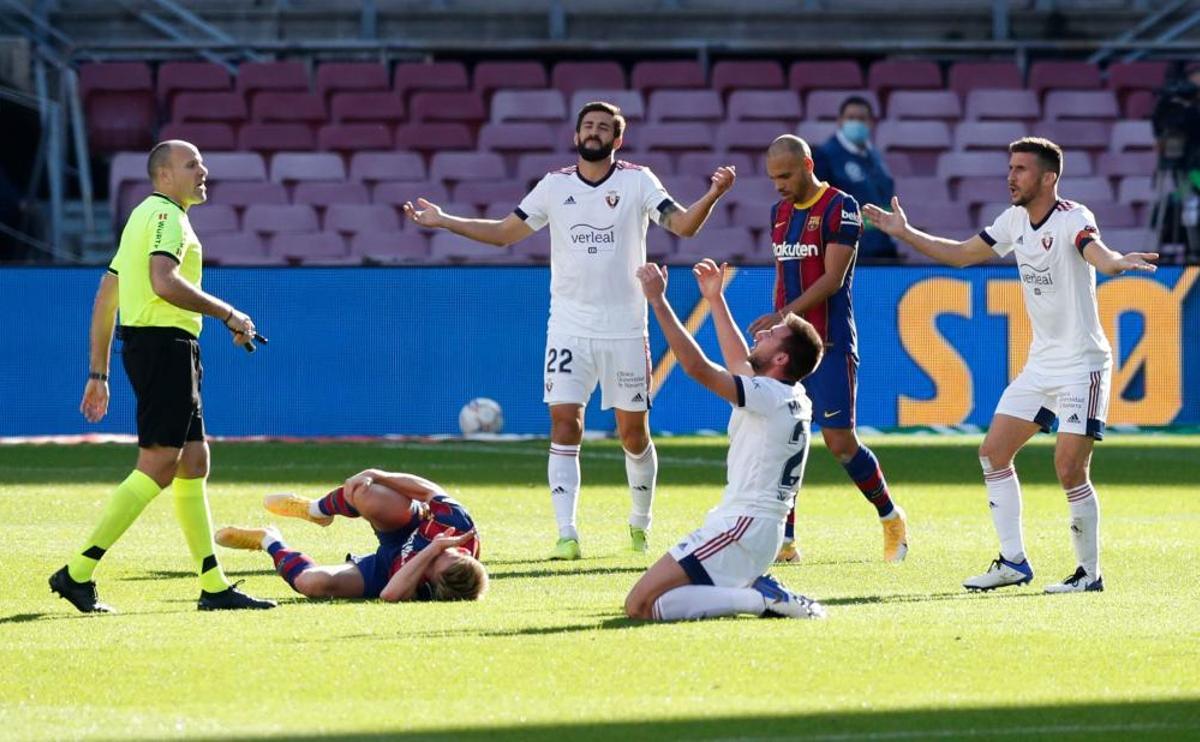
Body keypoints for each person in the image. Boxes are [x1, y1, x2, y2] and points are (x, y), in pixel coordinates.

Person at [404, 101, 736, 560]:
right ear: (576, 135)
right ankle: (566, 534)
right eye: (588, 126)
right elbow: (504, 233)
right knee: (565, 424)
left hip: (625, 329)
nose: (594, 132)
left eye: (604, 127)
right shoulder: (554, 185)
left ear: (617, 139)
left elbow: (683, 226)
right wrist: (444, 220)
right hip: (568, 328)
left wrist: (713, 193)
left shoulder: (638, 181)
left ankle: (640, 525)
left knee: (633, 434)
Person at [863, 137, 1158, 593]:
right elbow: (960, 254)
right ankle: (1013, 562)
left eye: (1021, 169)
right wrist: (904, 232)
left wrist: (1117, 262)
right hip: (1041, 364)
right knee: (993, 453)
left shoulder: (1073, 218)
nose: (1011, 177)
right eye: (1010, 168)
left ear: (1048, 177)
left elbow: (1094, 250)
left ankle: (1089, 575)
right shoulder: (1013, 221)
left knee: (1069, 469)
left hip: (1082, 364)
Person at [49, 140, 275, 613]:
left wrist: (98, 372)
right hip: (165, 348)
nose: (203, 170)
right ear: (165, 175)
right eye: (192, 164)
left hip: (156, 347)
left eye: (202, 163)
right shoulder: (168, 218)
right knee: (157, 464)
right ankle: (77, 572)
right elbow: (163, 281)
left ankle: (213, 586)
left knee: (194, 460)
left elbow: (107, 296)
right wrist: (228, 314)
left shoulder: (140, 217)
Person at [624, 259, 826, 621]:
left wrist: (658, 301)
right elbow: (738, 361)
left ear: (781, 358)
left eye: (771, 336)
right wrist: (715, 300)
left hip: (744, 526)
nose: (760, 335)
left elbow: (698, 368)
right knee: (652, 606)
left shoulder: (769, 396)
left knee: (638, 606)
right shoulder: (788, 394)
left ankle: (760, 598)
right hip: (755, 528)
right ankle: (755, 592)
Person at [749, 134, 908, 565]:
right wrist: (776, 330)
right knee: (780, 436)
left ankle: (890, 516)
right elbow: (786, 274)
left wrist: (782, 314)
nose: (779, 185)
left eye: (785, 176)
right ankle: (784, 542)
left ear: (807, 164)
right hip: (786, 348)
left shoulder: (841, 207)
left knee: (840, 443)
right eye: (773, 178)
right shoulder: (779, 212)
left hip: (829, 342)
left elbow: (833, 279)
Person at [214, 469, 487, 603]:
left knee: (311, 583)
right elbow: (429, 490)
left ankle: (267, 539)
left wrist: (431, 551)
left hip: (387, 570)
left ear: (435, 581)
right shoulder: (458, 526)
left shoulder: (429, 588)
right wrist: (378, 474)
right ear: (465, 552)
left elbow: (389, 594)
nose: (444, 551)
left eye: (435, 562)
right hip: (406, 524)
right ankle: (316, 510)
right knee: (364, 491)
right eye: (450, 553)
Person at [812, 96, 897, 261]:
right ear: (840, 121)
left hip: (882, 251)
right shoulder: (825, 156)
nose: (856, 123)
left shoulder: (875, 156)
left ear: (870, 123)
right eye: (851, 118)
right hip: (849, 254)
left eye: (861, 118)